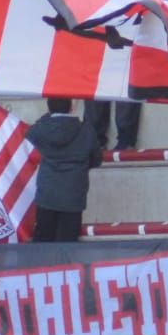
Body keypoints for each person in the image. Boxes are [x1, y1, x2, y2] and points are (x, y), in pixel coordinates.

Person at [86, 0, 155, 152]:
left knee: (126, 86)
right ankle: (95, 138)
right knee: (96, 86)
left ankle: (126, 141)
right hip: (99, 33)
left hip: (129, 32)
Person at [27, 98, 102, 242]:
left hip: (47, 195)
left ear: (48, 109)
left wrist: (45, 118)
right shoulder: (86, 130)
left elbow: (30, 135)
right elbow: (97, 159)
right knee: (68, 246)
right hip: (73, 195)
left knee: (43, 243)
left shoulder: (41, 129)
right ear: (71, 107)